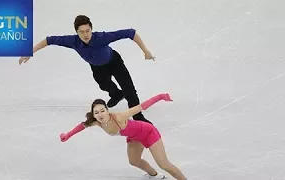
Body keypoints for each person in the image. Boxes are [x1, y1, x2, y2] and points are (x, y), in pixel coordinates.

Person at [18, 15, 155, 124]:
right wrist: (30, 51)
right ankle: (116, 94)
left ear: (91, 29)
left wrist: (145, 50)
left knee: (129, 89)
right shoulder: (73, 41)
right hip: (97, 67)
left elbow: (130, 33)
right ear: (76, 32)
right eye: (81, 32)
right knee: (103, 85)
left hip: (114, 62)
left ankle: (138, 116)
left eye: (87, 31)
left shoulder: (102, 37)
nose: (85, 35)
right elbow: (49, 40)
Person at [59, 93, 187, 180]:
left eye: (102, 110)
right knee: (134, 161)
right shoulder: (97, 122)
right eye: (96, 112)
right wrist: (68, 135)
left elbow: (141, 107)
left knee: (164, 165)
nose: (100, 114)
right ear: (94, 115)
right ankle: (153, 175)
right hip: (134, 138)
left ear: (107, 110)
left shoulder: (119, 117)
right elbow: (82, 126)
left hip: (148, 132)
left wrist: (160, 97)